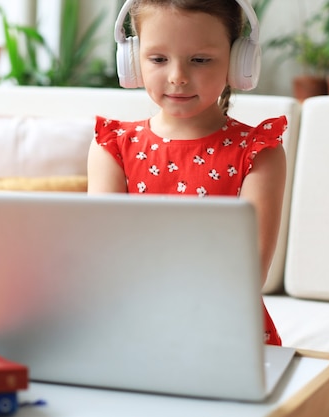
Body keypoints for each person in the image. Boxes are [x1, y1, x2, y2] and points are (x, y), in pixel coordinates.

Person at [87, 0, 286, 345]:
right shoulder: (112, 146)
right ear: (133, 60)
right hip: (130, 328)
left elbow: (248, 272)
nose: (177, 76)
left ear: (238, 62)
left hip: (223, 332)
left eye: (200, 59)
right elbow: (104, 259)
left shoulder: (259, 152)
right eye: (158, 59)